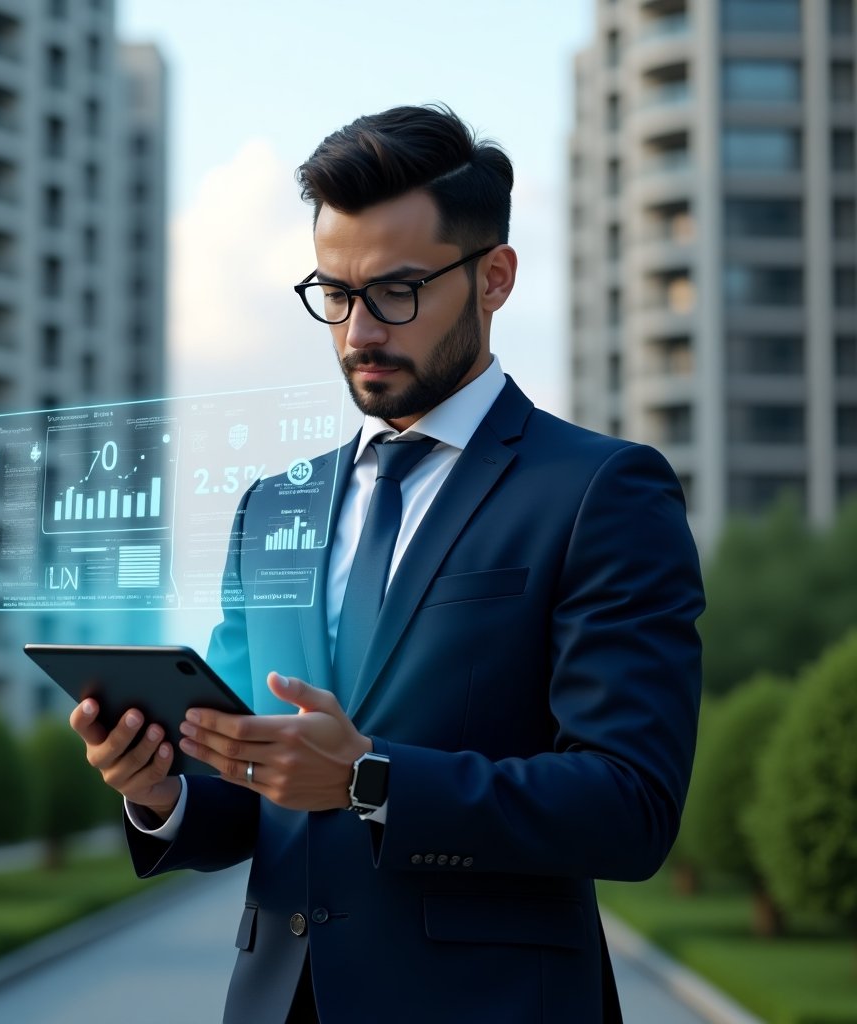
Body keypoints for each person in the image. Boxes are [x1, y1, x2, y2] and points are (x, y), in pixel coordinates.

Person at [71, 103, 704, 1024]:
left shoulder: (602, 491)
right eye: (335, 292)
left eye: (397, 291)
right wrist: (161, 788)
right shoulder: (273, 507)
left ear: (495, 278)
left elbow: (631, 805)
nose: (358, 330)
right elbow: (252, 789)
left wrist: (371, 778)